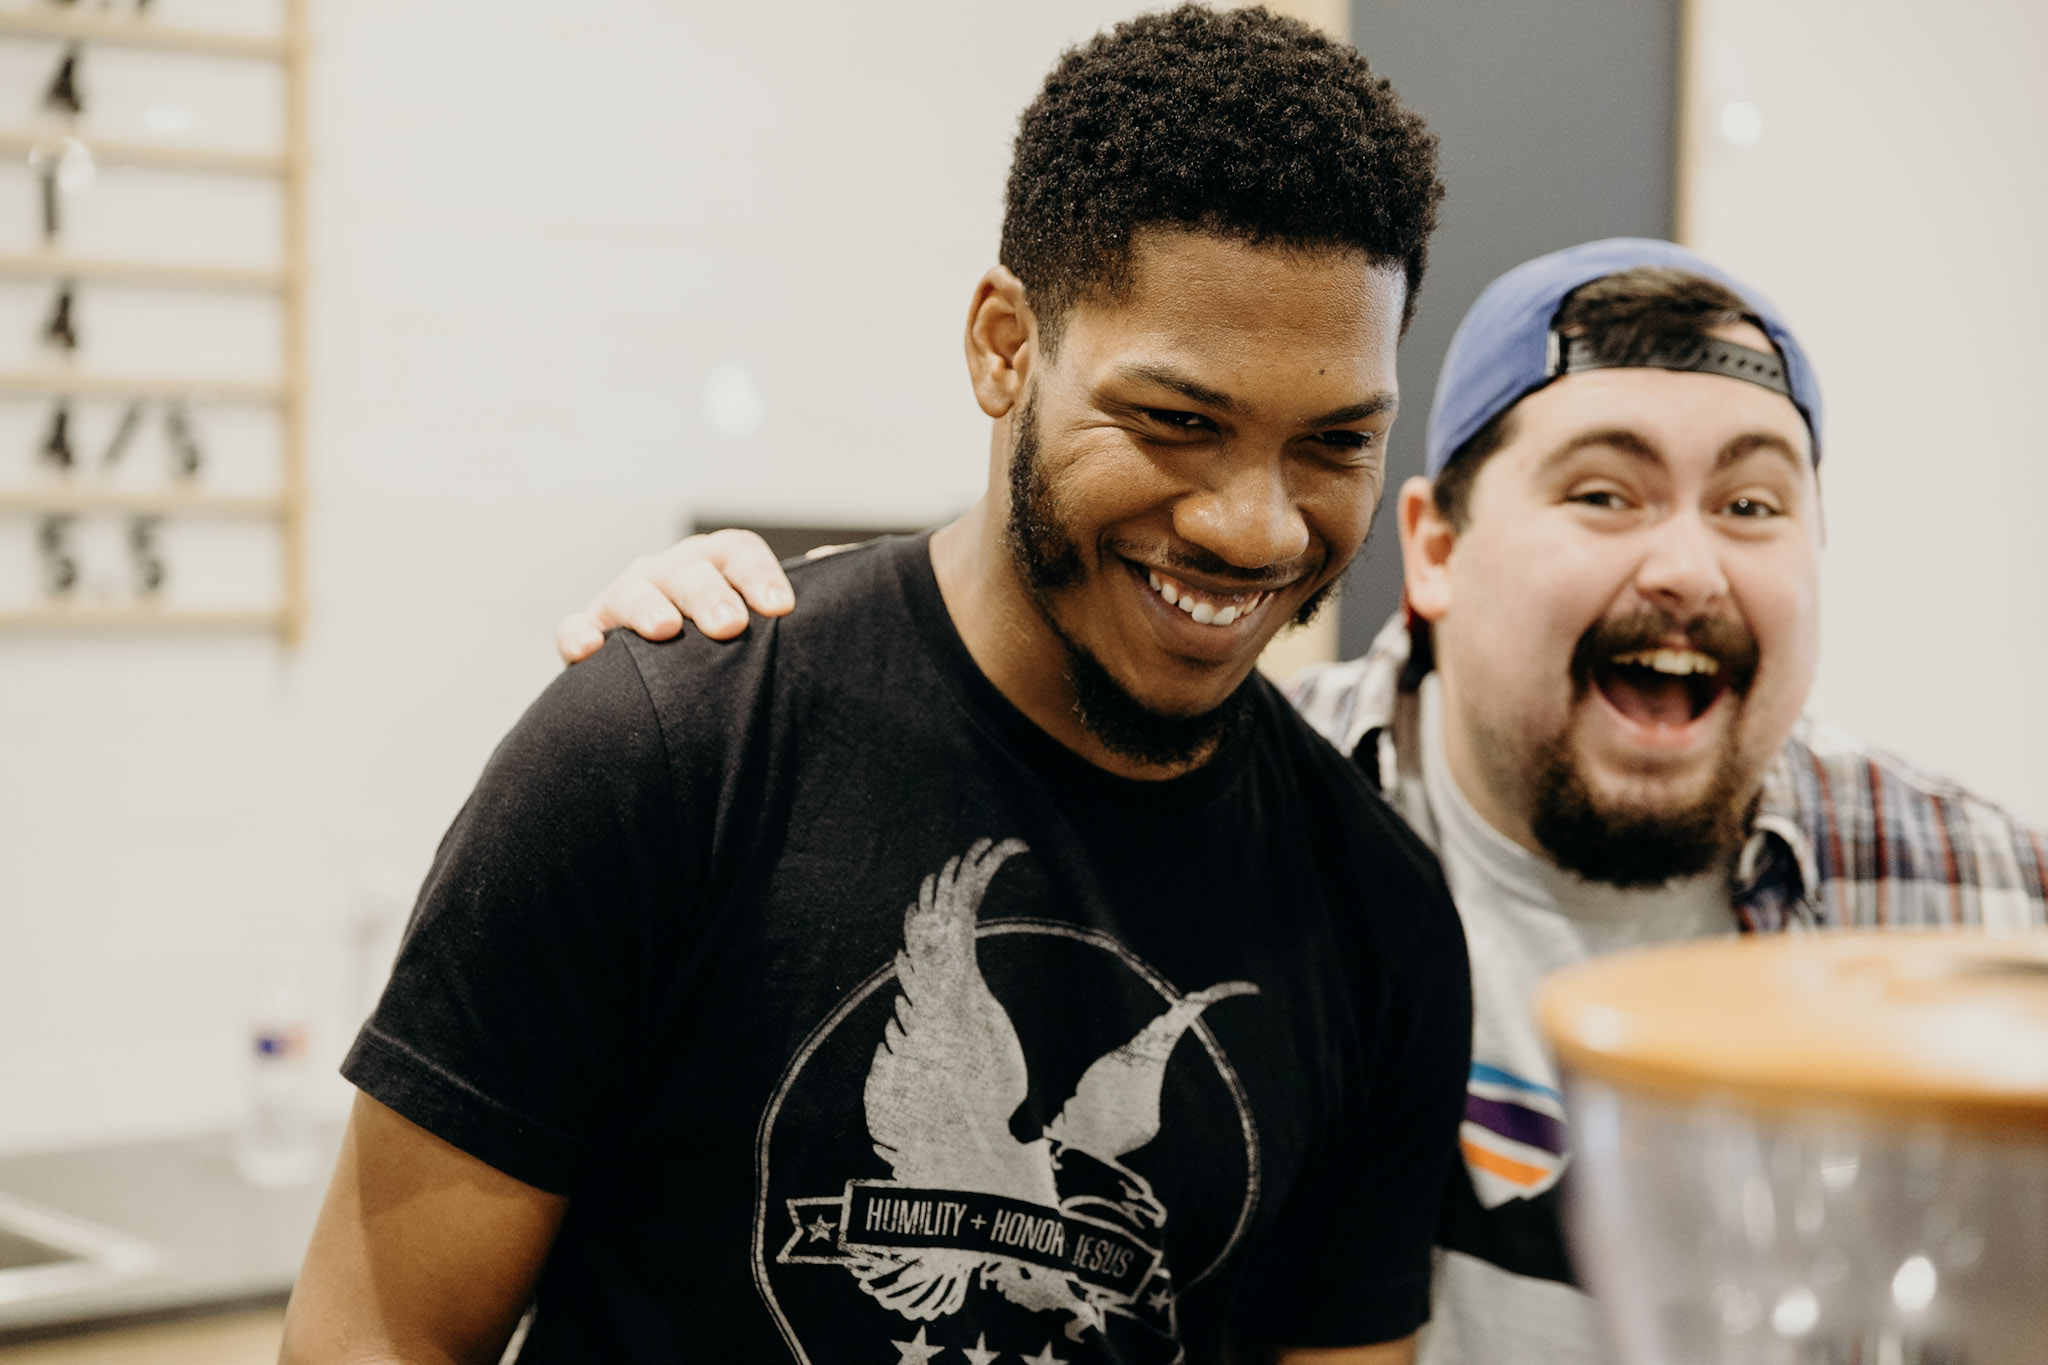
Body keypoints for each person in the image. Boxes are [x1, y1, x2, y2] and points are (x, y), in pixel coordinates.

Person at [562, 237, 2048, 1364]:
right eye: (1604, 493)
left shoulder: (1980, 903)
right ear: (1436, 547)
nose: (1687, 565)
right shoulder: (1222, 807)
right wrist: (738, 658)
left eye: (1753, 502)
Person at [284, 9, 1473, 1365]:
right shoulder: (669, 751)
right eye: (1176, 421)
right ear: (1004, 346)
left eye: (1333, 442)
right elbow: (374, 1338)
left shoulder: (1377, 915)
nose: (1256, 529)